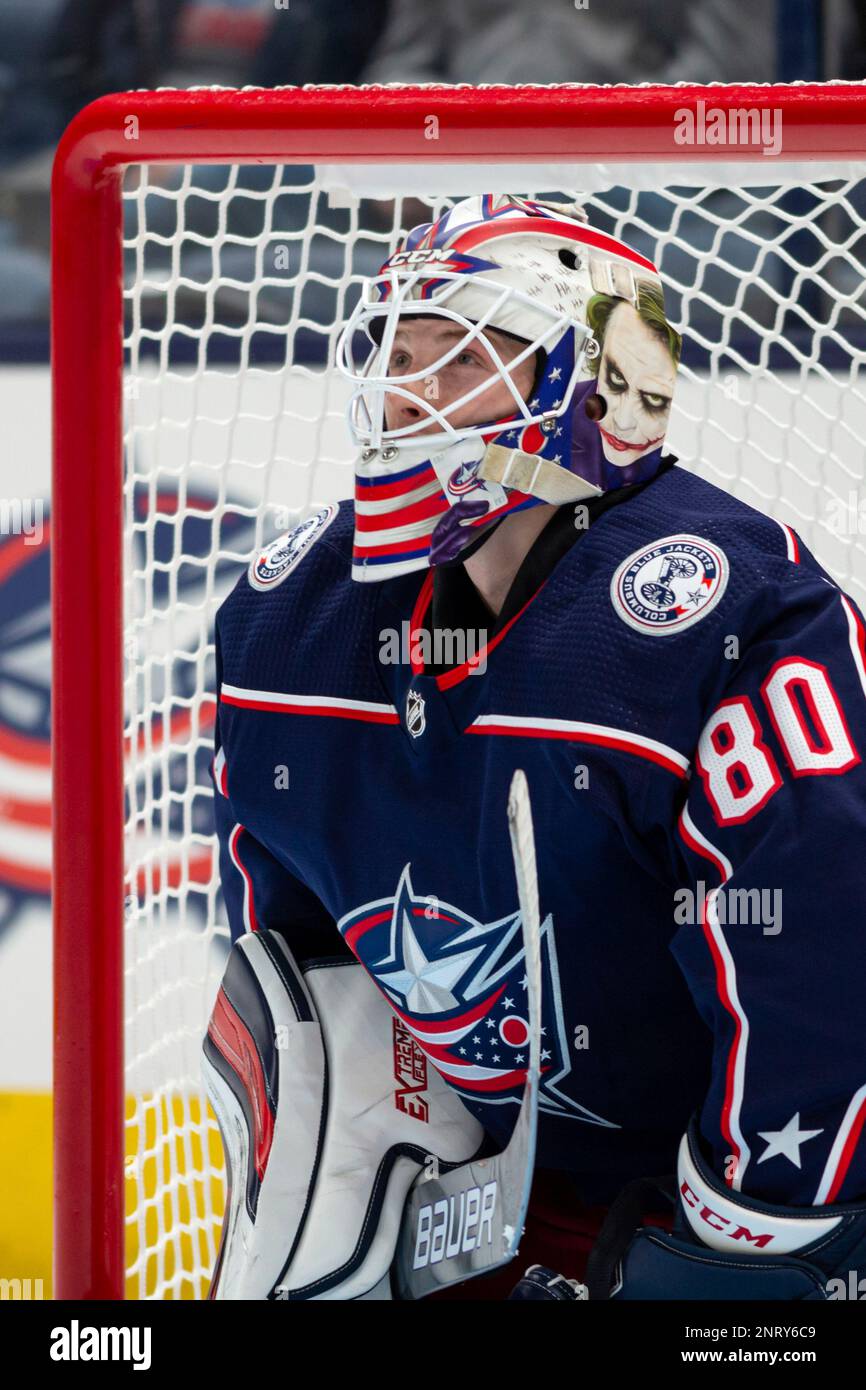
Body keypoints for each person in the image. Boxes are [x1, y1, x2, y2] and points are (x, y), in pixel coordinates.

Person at [202, 194, 866, 1301]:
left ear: (599, 384)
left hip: (737, 1194)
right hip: (498, 1180)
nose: (403, 393)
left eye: (456, 355)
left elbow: (821, 952)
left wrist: (740, 1236)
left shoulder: (740, 619)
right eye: (394, 352)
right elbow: (300, 971)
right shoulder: (288, 624)